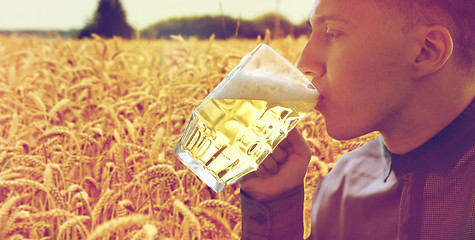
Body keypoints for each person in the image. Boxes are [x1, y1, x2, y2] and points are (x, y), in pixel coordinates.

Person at [239, 0, 475, 239]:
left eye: (332, 32)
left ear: (426, 50)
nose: (304, 65)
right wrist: (274, 205)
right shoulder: (342, 183)